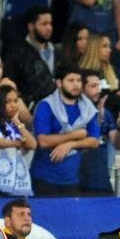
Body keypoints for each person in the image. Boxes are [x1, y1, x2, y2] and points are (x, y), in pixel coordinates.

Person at [32, 65, 101, 196]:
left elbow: (94, 141)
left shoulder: (88, 108)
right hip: (44, 178)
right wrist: (76, 134)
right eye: (71, 80)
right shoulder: (46, 106)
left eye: (79, 80)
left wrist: (70, 144)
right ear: (59, 82)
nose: (76, 84)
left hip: (72, 180)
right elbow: (43, 141)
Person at [0, 84, 35, 198]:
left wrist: (16, 121)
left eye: (15, 101)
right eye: (8, 101)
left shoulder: (17, 124)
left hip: (18, 182)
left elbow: (33, 144)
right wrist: (17, 143)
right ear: (0, 103)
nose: (13, 105)